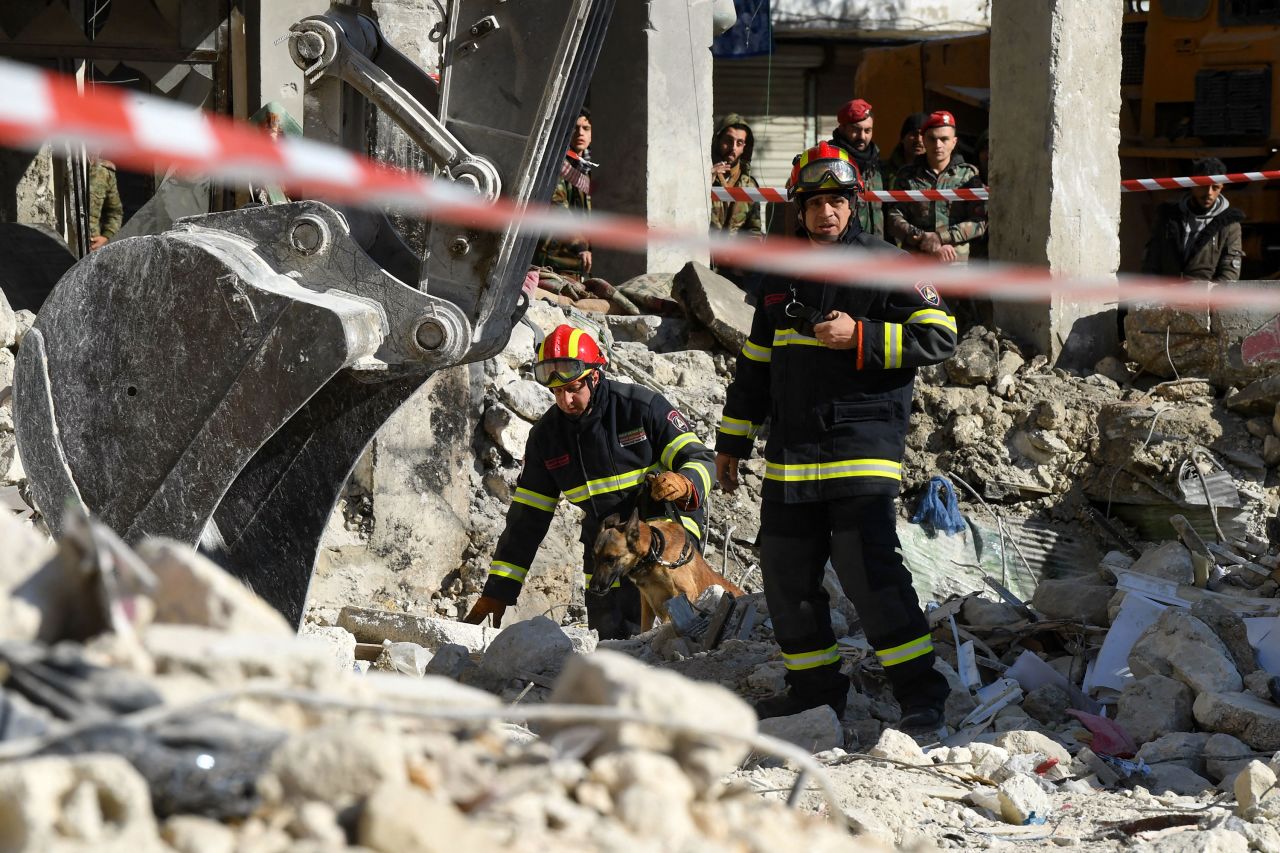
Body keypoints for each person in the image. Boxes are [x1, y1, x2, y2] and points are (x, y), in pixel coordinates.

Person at [715, 141, 957, 729]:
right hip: (793, 454)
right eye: (815, 202)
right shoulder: (778, 278)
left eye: (838, 201)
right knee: (785, 572)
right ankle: (814, 693)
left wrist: (864, 337)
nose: (827, 212)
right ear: (799, 209)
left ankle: (922, 697)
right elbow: (755, 362)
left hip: (861, 449)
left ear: (854, 205)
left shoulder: (890, 263)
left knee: (868, 571)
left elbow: (941, 336)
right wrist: (732, 440)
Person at [463, 325, 715, 640]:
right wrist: (498, 590)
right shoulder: (547, 439)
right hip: (605, 556)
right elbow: (527, 519)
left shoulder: (640, 408)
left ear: (595, 377)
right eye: (556, 392)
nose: (565, 400)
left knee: (681, 639)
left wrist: (685, 482)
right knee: (612, 651)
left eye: (573, 389)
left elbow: (700, 458)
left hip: (664, 549)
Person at [885, 111, 986, 264]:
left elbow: (980, 221)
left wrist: (940, 237)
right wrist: (923, 238)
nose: (938, 145)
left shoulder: (969, 176)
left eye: (944, 139)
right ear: (924, 140)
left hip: (955, 263)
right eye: (932, 139)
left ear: (954, 142)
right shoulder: (906, 175)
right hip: (918, 261)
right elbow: (893, 217)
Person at [1142, 157, 1244, 282]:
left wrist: (1211, 298)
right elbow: (1152, 261)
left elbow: (1229, 273)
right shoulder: (1168, 216)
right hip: (1166, 296)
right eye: (1203, 186)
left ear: (1222, 187)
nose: (1209, 193)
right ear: (1192, 184)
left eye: (1215, 187)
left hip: (1204, 299)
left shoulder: (1229, 225)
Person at [533, 110, 596, 277]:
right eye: (575, 128)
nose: (580, 133)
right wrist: (581, 247)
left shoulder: (587, 169)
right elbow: (558, 207)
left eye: (586, 128)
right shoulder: (557, 164)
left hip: (576, 263)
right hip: (552, 262)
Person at [827, 98, 884, 237]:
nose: (862, 136)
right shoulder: (827, 161)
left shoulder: (876, 163)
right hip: (842, 249)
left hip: (876, 248)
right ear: (842, 128)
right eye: (856, 130)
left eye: (868, 130)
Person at [882, 112, 927, 191]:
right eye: (914, 134)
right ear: (903, 138)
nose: (919, 140)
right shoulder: (883, 171)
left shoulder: (934, 171)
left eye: (923, 135)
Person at [86, 157, 122, 252]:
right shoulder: (60, 164)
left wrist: (107, 237)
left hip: (90, 249)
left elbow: (115, 212)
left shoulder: (103, 171)